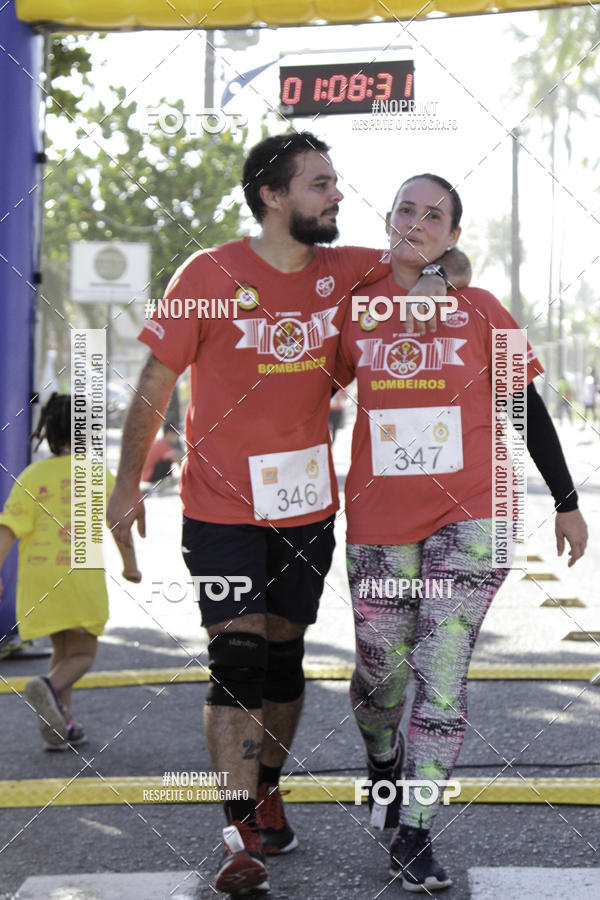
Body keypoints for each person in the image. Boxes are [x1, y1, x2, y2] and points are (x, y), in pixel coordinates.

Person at [106, 133, 471, 895]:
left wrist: (440, 277)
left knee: (281, 659)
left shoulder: (349, 268)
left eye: (335, 183)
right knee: (235, 661)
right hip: (220, 505)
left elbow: (440, 255)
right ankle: (236, 832)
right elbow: (155, 376)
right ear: (274, 197)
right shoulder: (207, 276)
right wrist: (125, 483)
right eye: (321, 184)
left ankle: (266, 781)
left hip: (306, 505)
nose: (338, 195)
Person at [335, 174, 588, 892]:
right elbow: (301, 392)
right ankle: (383, 762)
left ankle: (414, 832)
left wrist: (566, 500)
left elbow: (524, 405)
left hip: (473, 513)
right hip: (379, 518)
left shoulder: (480, 308)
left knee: (441, 676)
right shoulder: (354, 308)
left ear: (452, 235)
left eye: (434, 214)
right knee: (381, 673)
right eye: (406, 210)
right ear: (387, 222)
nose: (418, 221)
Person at [0, 394, 140, 750]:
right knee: (83, 654)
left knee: (63, 649)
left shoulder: (32, 475)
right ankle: (47, 687)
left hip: (39, 579)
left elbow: (8, 528)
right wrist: (131, 566)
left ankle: (63, 722)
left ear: (47, 432)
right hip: (79, 579)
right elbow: (120, 524)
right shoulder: (96, 474)